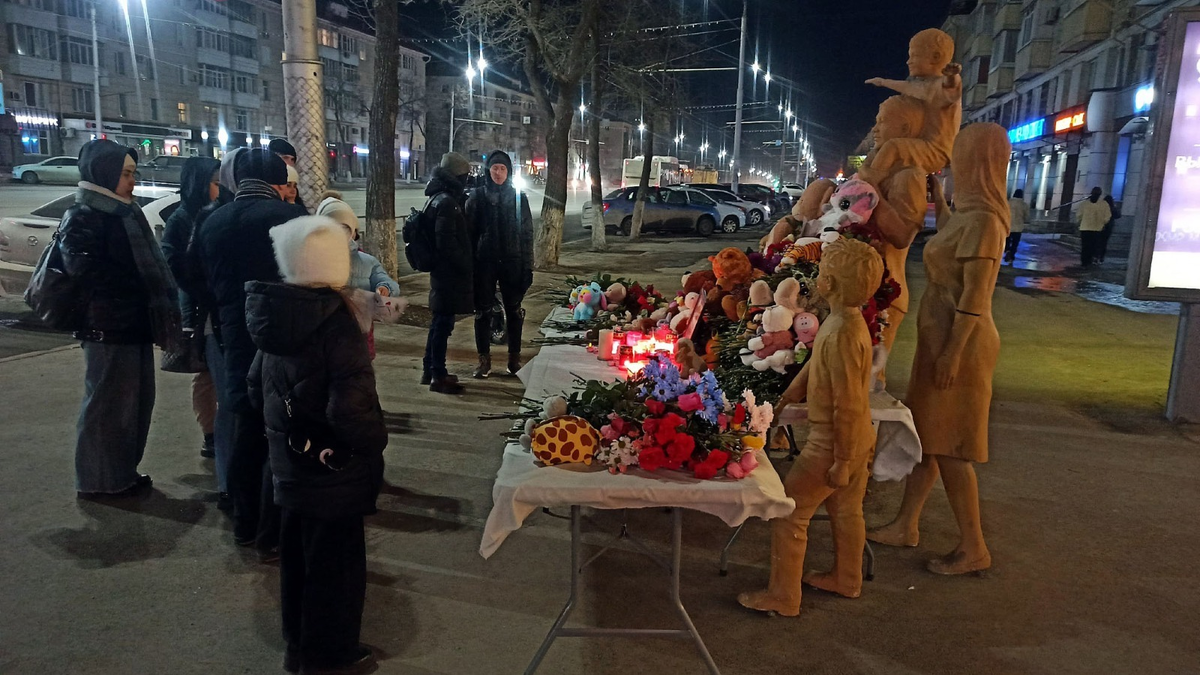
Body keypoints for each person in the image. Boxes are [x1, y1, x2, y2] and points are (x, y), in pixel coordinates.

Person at [867, 123, 1011, 575]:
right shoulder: (968, 217)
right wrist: (938, 196)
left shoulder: (987, 223)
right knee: (928, 437)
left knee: (951, 449)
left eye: (960, 159)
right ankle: (907, 524)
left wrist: (951, 353)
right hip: (940, 342)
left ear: (980, 164)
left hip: (961, 348)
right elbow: (949, 234)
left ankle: (973, 546)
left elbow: (975, 298)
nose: (953, 166)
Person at [246, 215, 387, 675]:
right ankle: (329, 658)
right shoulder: (337, 323)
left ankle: (298, 647)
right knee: (337, 570)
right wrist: (373, 444)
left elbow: (254, 388)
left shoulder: (276, 317)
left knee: (298, 562)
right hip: (334, 474)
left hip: (290, 467)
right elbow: (351, 411)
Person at [738, 237, 883, 617]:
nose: (816, 277)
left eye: (821, 272)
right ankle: (846, 577)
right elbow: (814, 367)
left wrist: (843, 460)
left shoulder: (841, 333)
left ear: (830, 284)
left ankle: (784, 595)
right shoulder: (842, 324)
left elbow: (848, 404)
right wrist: (788, 396)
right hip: (852, 439)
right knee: (847, 512)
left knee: (790, 512)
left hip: (833, 443)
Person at [194, 148, 307, 557]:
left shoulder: (212, 220)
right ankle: (273, 530)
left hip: (235, 335)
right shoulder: (290, 220)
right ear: (278, 184)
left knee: (245, 427)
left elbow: (193, 275)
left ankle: (244, 522)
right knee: (281, 432)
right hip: (283, 337)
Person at [60, 139, 182, 498]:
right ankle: (98, 480)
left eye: (133, 173)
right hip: (107, 328)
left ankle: (121, 472)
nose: (132, 181)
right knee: (107, 407)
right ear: (105, 173)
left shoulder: (125, 213)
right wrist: (137, 282)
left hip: (134, 324)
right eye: (126, 174)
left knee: (134, 406)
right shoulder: (84, 215)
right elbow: (83, 271)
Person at [160, 156, 224, 465]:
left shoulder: (216, 212)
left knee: (216, 372)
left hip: (212, 304)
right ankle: (210, 434)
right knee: (205, 374)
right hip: (198, 307)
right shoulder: (182, 218)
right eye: (214, 183)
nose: (218, 188)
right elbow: (173, 264)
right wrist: (202, 283)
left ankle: (218, 431)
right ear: (199, 183)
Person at [860, 28, 962, 182]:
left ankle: (869, 185)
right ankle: (864, 178)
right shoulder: (926, 86)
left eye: (914, 56)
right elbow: (908, 87)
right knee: (879, 150)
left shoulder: (942, 85)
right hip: (923, 144)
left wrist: (951, 76)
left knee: (893, 147)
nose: (908, 61)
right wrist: (883, 82)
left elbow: (951, 88)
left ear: (935, 57)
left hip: (936, 150)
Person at [467, 150, 534, 378]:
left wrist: (528, 266)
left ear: (509, 172)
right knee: (483, 312)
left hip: (512, 262)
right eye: (495, 168)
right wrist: (471, 266)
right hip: (484, 263)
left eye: (503, 168)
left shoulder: (518, 198)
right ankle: (484, 362)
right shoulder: (477, 197)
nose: (498, 172)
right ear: (489, 170)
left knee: (514, 311)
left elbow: (527, 234)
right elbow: (470, 234)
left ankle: (514, 360)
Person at [317, 194, 402, 360]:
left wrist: (385, 288)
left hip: (359, 336)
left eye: (345, 228)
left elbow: (387, 282)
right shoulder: (311, 258)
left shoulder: (366, 261)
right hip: (323, 336)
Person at [422, 152, 474, 394]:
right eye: (464, 176)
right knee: (443, 324)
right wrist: (465, 262)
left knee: (438, 323)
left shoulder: (437, 197)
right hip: (448, 274)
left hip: (442, 272)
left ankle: (430, 369)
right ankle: (438, 375)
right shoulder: (446, 202)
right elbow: (447, 243)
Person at [1075, 187, 1109, 267]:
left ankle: (1084, 262)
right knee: (1094, 246)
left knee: (1085, 247)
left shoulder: (1084, 204)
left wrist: (1079, 223)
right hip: (1097, 229)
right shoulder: (1104, 204)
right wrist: (1103, 223)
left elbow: (1079, 215)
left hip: (1085, 228)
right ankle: (1091, 261)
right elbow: (1107, 216)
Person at [1005, 188, 1030, 265]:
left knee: (1007, 240)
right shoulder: (1024, 205)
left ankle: (1007, 250)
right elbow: (1027, 216)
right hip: (1018, 227)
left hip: (1008, 225)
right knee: (1015, 243)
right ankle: (1012, 256)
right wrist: (1027, 221)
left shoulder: (1008, 203)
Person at [1098, 195, 1120, 263]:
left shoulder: (1101, 207)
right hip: (1109, 227)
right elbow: (1118, 215)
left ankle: (1096, 256)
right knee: (1104, 243)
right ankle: (1101, 257)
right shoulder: (1112, 208)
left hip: (1100, 225)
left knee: (1098, 242)